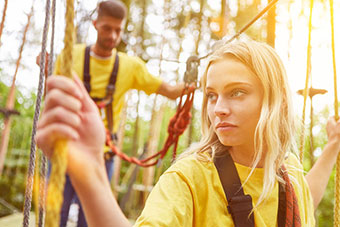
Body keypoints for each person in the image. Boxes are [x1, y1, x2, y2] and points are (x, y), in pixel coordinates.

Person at [37, 40, 340, 226]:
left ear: (276, 101)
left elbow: (301, 204)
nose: (217, 108)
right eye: (211, 95)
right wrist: (88, 168)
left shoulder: (288, 173)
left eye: (236, 93)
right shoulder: (191, 178)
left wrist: (333, 147)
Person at [39, 1, 189, 226]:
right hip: (65, 150)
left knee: (89, 220)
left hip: (103, 156)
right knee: (55, 216)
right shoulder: (71, 56)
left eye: (118, 30)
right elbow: (53, 91)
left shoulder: (131, 67)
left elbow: (169, 91)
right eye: (107, 28)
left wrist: (191, 83)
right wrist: (44, 64)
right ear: (95, 24)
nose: (113, 35)